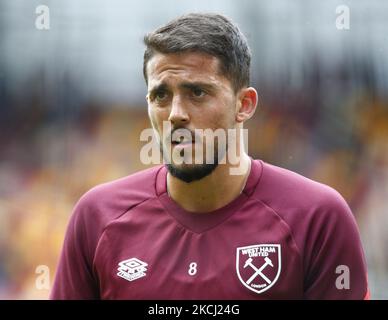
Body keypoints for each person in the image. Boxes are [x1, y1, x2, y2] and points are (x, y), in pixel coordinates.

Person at [51, 13, 369, 299]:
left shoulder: (318, 217)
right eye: (161, 95)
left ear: (244, 104)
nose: (176, 114)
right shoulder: (97, 217)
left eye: (197, 93)